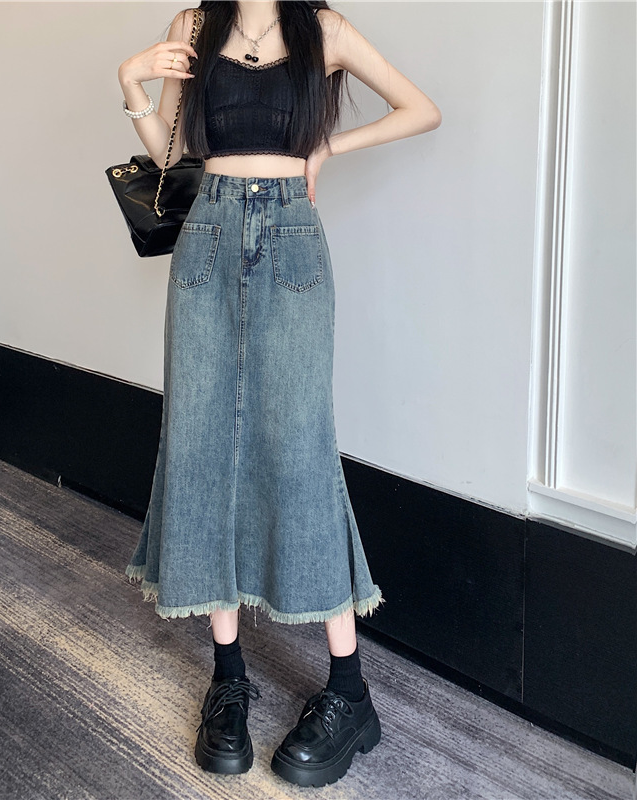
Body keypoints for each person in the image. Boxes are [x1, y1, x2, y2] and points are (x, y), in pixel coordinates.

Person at [118, 0, 440, 787]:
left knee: (299, 456)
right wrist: (131, 83)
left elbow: (421, 109)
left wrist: (328, 145)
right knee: (199, 445)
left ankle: (350, 692)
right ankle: (228, 676)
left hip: (293, 238)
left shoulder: (322, 30)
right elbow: (172, 154)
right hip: (206, 238)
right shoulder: (192, 27)